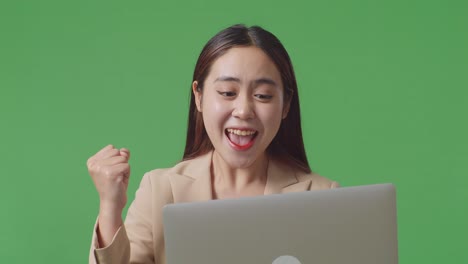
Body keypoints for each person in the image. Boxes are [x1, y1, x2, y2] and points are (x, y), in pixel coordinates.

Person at [87, 24, 339, 264]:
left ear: (285, 105)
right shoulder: (161, 191)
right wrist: (110, 206)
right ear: (198, 96)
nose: (243, 110)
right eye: (228, 93)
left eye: (263, 95)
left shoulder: (323, 197)